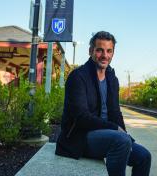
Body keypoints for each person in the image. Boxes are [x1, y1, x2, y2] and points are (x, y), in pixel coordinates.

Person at [55, 31, 151, 176]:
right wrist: (115, 130)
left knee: (144, 157)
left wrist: (126, 135)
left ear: (113, 53)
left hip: (108, 135)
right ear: (91, 51)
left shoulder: (112, 78)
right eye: (99, 50)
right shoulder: (78, 77)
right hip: (79, 138)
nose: (104, 55)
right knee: (121, 141)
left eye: (109, 51)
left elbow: (115, 112)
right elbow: (81, 117)